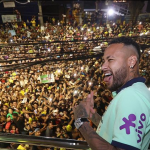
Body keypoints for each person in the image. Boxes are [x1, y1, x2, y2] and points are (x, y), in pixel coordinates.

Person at [73, 37, 150, 150]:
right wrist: (92, 116)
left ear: (131, 62)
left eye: (110, 60)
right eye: (104, 61)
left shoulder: (131, 96)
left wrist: (81, 121)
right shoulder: (135, 92)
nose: (103, 66)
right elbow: (118, 129)